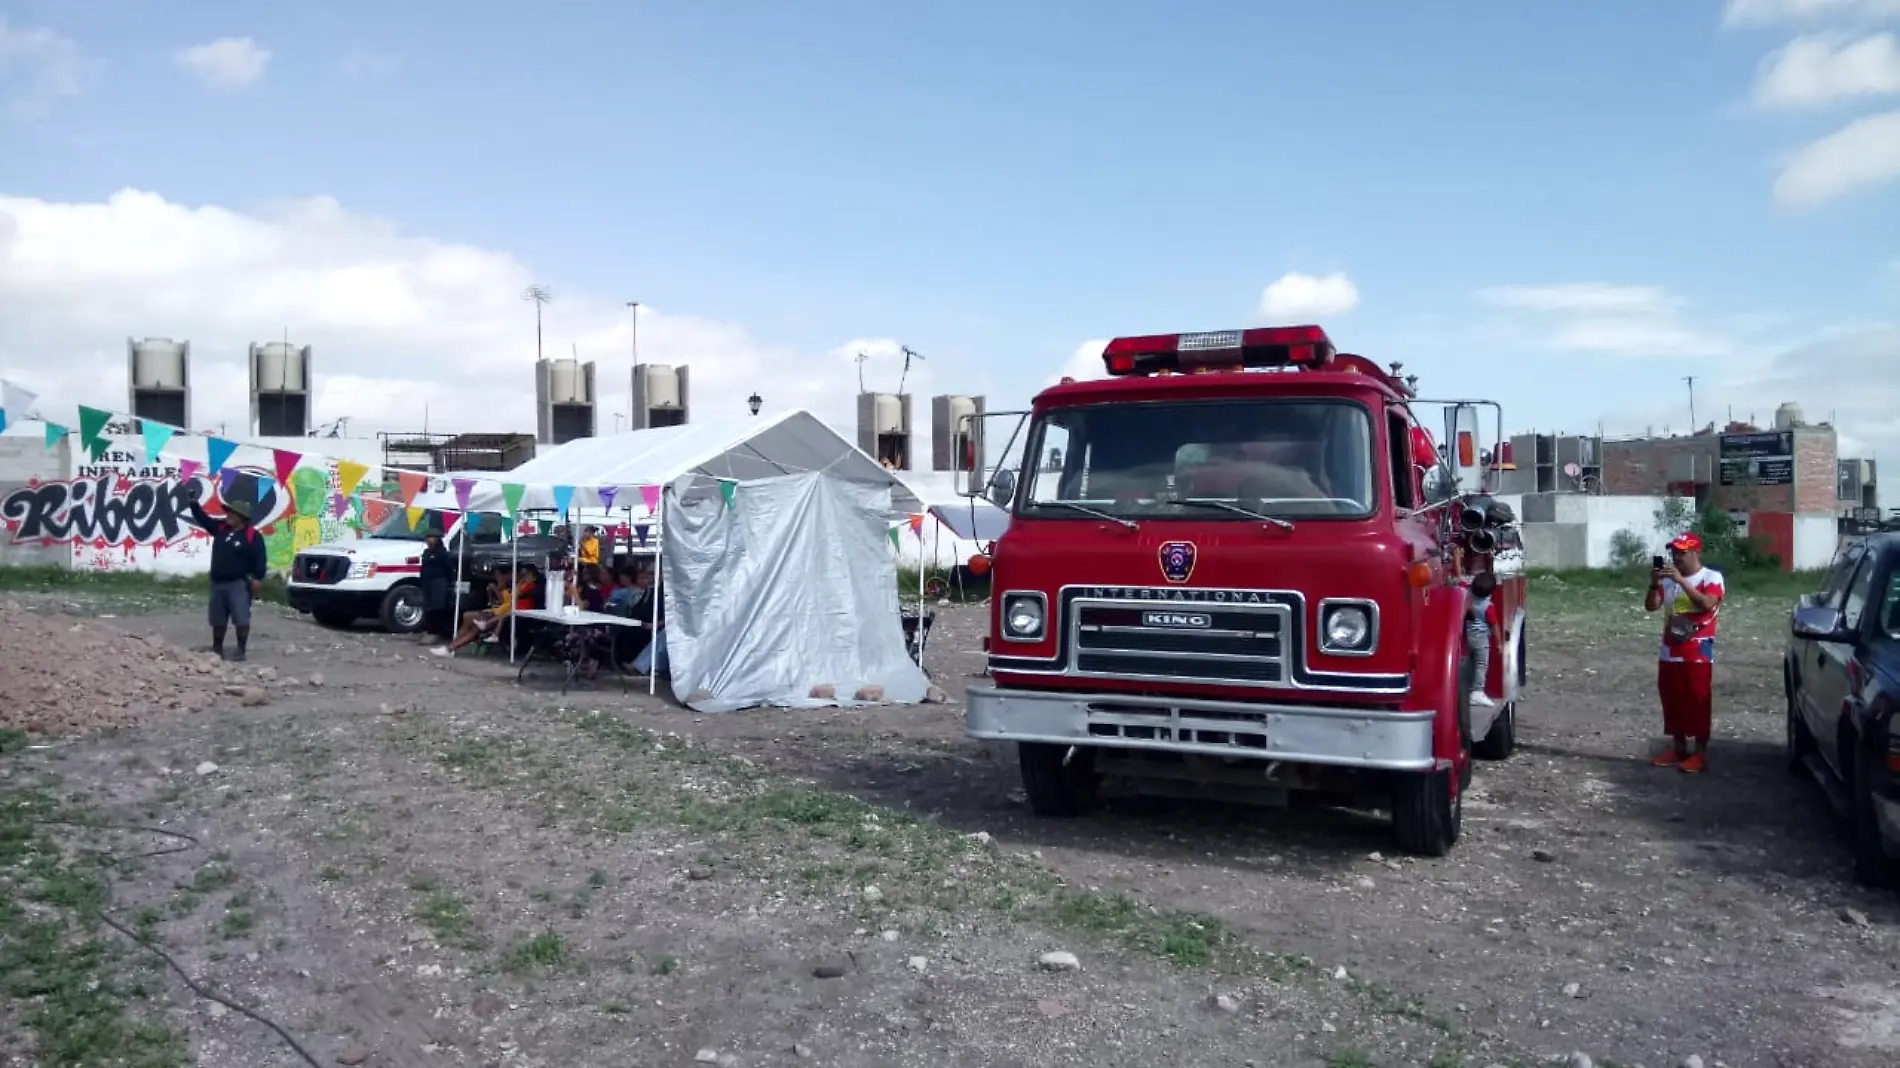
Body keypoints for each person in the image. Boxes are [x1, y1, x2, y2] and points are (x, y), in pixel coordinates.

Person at [1645, 532, 1726, 773]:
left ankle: (1700, 753)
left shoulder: (1711, 577)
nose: (1676, 557)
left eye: (1681, 553)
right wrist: (1654, 584)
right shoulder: (1669, 580)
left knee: (1697, 700)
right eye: (1674, 552)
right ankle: (1678, 746)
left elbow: (1707, 603)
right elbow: (1651, 606)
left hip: (1697, 651)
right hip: (1670, 649)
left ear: (1694, 552)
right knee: (1672, 699)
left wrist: (1682, 581)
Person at [184, 490, 268, 661]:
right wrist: (193, 503)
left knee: (241, 617)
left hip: (238, 583)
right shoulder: (221, 528)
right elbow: (203, 519)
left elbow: (260, 558)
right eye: (228, 513)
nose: (228, 516)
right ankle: (217, 648)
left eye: (232, 514)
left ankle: (241, 649)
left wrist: (259, 577)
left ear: (242, 518)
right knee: (218, 618)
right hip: (217, 583)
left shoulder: (252, 536)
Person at [1464, 571, 1502, 709]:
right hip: (1481, 640)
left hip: (1466, 637)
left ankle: (1466, 690)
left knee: (1468, 665)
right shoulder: (1488, 606)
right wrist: (1499, 643)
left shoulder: (1467, 596)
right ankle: (1477, 692)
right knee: (1481, 665)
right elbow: (1494, 625)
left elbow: (1461, 582)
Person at [418, 531, 455, 644]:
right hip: (427, 581)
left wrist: (449, 582)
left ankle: (436, 632)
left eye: (431, 538)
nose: (429, 540)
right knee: (428, 607)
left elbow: (449, 568)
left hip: (439, 581)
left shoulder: (442, 553)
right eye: (427, 537)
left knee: (437, 607)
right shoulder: (426, 552)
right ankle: (429, 630)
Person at [632, 573, 668, 676]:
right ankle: (644, 666)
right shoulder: (653, 591)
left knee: (663, 636)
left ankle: (642, 666)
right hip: (654, 622)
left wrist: (654, 625)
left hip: (664, 624)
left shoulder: (662, 592)